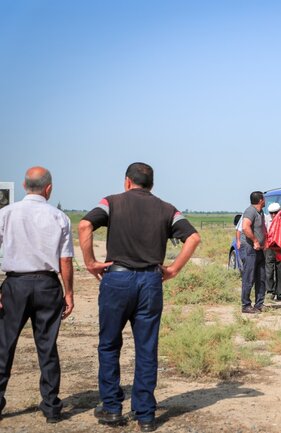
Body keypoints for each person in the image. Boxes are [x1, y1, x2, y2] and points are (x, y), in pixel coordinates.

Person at [79, 162, 200, 431]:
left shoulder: (111, 203)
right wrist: (173, 269)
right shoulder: (167, 209)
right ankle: (145, 414)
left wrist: (90, 262)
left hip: (117, 280)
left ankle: (112, 408)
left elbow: (85, 225)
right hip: (150, 282)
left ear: (127, 181)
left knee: (109, 344)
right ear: (152, 184)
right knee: (146, 347)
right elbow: (193, 237)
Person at [0, 167, 74, 424]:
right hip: (47, 285)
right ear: (48, 188)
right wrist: (69, 293)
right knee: (47, 346)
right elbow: (65, 260)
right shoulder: (59, 217)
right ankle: (51, 407)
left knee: (4, 345)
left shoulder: (6, 214)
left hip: (15, 285)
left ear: (24, 185)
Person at [240, 191, 267, 314]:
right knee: (249, 277)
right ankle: (246, 305)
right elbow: (245, 227)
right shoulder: (250, 211)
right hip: (249, 249)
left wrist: (264, 241)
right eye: (264, 199)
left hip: (259, 249)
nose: (265, 201)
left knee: (261, 277)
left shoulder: (260, 212)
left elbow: (261, 228)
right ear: (261, 200)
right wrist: (255, 241)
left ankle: (259, 304)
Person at [264, 202, 281, 302]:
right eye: (271, 213)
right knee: (269, 269)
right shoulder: (266, 220)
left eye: (275, 212)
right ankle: (270, 292)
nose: (273, 215)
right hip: (270, 247)